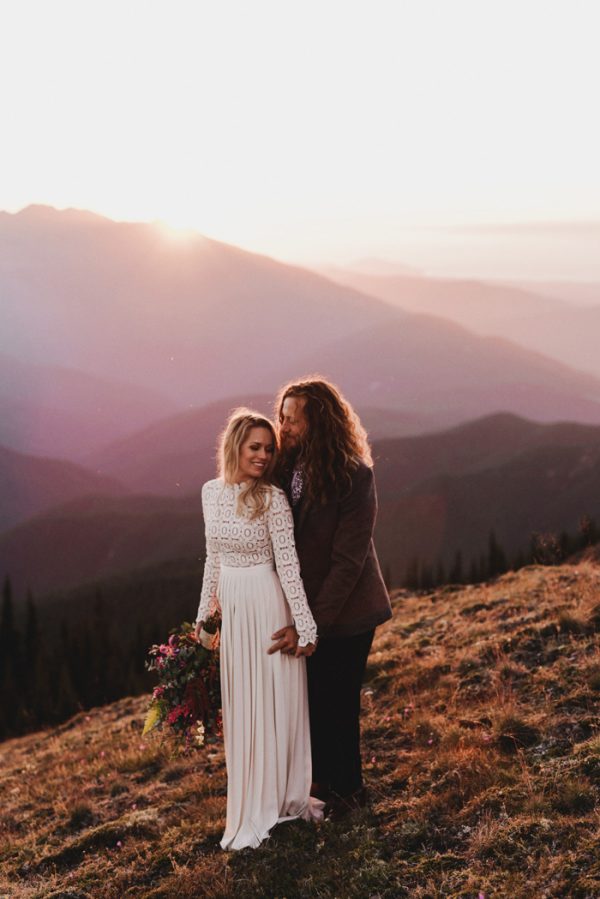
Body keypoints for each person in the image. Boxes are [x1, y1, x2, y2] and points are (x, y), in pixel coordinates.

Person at [194, 408, 319, 851]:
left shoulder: (273, 499)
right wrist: (204, 622)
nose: (264, 456)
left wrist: (305, 627)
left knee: (271, 700)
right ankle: (247, 798)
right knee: (243, 705)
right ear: (234, 447)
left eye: (269, 449)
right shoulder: (210, 493)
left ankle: (279, 797)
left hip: (266, 606)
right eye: (255, 448)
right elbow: (212, 558)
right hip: (232, 605)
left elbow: (289, 567)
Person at [270, 378, 392, 819]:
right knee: (313, 700)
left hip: (350, 612)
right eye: (282, 417)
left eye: (293, 419)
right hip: (309, 610)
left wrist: (310, 622)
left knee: (337, 702)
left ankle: (350, 794)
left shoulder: (354, 476)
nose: (283, 427)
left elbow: (348, 563)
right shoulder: (285, 467)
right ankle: (321, 786)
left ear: (319, 422)